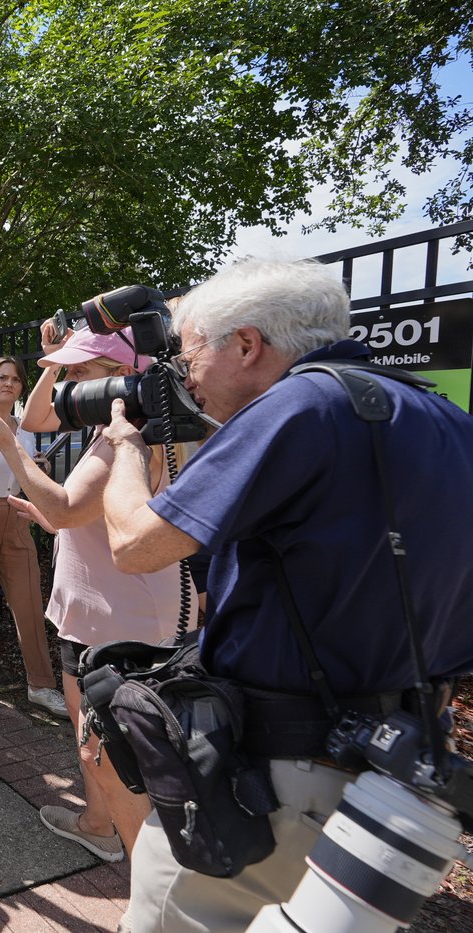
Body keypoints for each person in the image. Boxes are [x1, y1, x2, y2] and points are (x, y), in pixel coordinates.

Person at [98, 259, 473, 932]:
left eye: (190, 358)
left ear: (246, 344)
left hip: (270, 783)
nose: (184, 380)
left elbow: (133, 543)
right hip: (397, 777)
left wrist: (126, 445)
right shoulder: (445, 419)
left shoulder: (302, 406)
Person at [0, 323, 194, 867]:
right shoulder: (149, 427)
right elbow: (104, 517)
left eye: (80, 372)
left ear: (122, 378)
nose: (71, 386)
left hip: (110, 626)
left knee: (107, 751)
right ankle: (97, 824)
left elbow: (68, 504)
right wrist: (57, 523)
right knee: (102, 740)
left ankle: (149, 894)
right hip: (126, 614)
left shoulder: (127, 434)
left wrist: (6, 444)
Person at [0, 356, 67, 718]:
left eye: (16, 379)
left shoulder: (25, 428)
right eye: (2, 377)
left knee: (30, 606)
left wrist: (41, 467)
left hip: (16, 515)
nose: (9, 383)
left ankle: (41, 686)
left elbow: (22, 470)